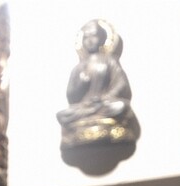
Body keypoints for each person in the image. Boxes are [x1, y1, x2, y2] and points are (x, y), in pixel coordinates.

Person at [56, 19, 139, 148]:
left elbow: (121, 84)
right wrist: (80, 84)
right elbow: (71, 96)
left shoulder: (110, 61)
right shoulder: (79, 68)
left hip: (104, 104)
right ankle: (83, 127)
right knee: (63, 114)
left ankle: (107, 126)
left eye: (93, 36)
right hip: (85, 107)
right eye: (86, 37)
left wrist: (106, 97)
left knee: (121, 106)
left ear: (101, 38)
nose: (89, 40)